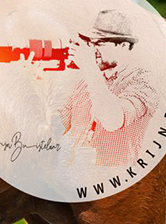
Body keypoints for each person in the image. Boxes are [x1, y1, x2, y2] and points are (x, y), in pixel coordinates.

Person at [59, 9, 159, 167]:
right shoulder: (84, 82)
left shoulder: (144, 81)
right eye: (90, 43)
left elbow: (113, 120)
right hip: (75, 178)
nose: (93, 50)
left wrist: (90, 69)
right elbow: (57, 124)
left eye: (100, 43)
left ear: (124, 45)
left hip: (118, 182)